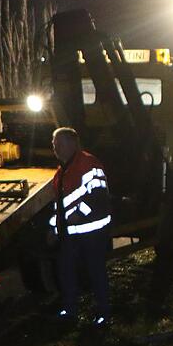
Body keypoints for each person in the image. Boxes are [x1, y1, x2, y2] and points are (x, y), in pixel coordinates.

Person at [46, 127, 112, 327]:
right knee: (66, 272)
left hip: (92, 233)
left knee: (95, 272)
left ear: (73, 143)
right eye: (54, 144)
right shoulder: (61, 173)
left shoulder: (88, 164)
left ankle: (103, 314)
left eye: (60, 143)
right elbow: (59, 207)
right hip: (71, 234)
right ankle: (70, 311)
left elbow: (98, 196)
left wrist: (78, 215)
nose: (56, 148)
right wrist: (53, 229)